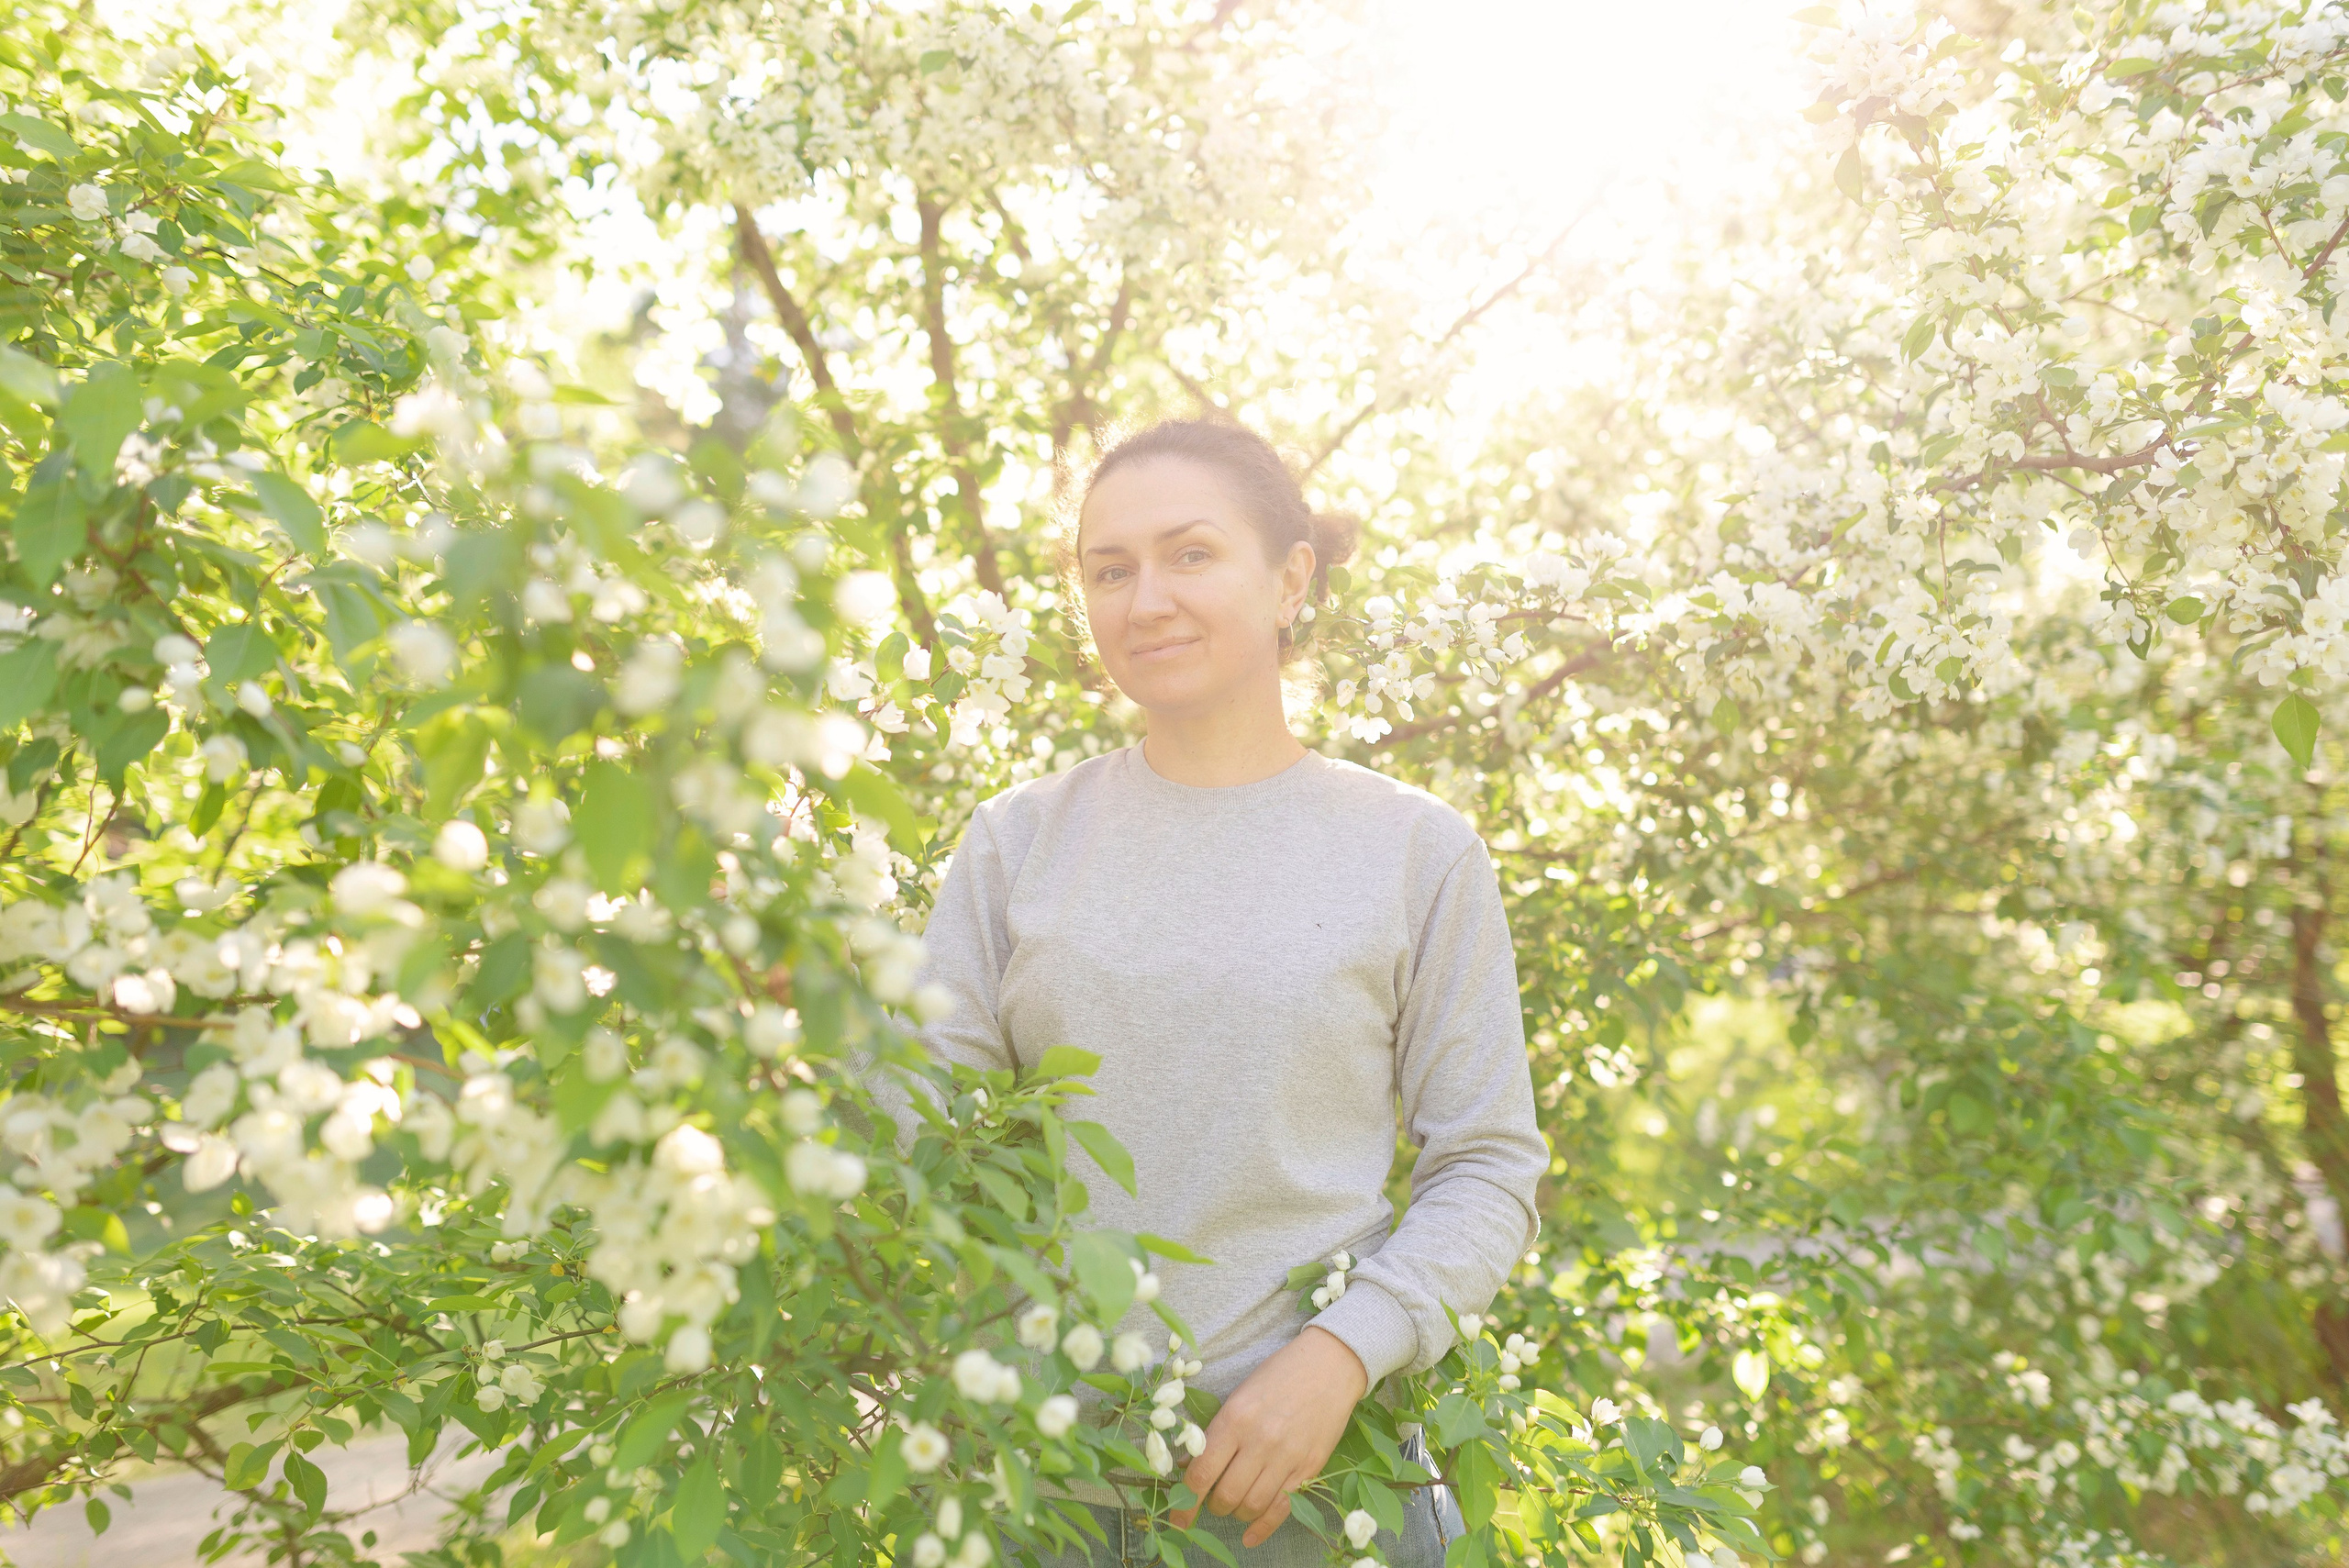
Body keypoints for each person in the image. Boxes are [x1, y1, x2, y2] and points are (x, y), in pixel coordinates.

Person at [889, 417, 1547, 1565]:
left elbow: (1489, 1165)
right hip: (1043, 1482)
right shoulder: (1015, 841)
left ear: (1291, 577)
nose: (1145, 599)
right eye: (1109, 568)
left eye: (1190, 553)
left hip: (1315, 1488)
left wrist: (1344, 1351)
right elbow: (930, 1150)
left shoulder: (1414, 850)